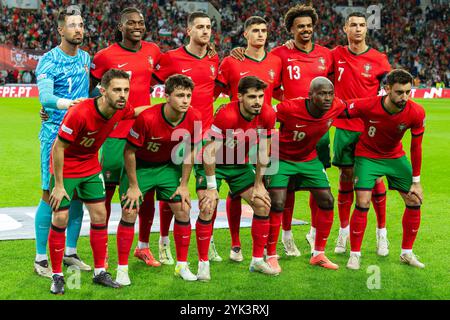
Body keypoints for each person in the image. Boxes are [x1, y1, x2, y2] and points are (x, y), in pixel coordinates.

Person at [48, 69, 150, 295]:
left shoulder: (119, 110)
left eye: (125, 90)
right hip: (66, 167)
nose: (123, 95)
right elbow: (58, 147)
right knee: (61, 217)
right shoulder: (80, 113)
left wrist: (164, 108)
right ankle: (57, 275)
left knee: (100, 215)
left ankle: (99, 272)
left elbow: (137, 112)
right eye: (117, 90)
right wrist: (58, 185)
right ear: (103, 91)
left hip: (91, 166)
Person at [90, 7, 162, 268]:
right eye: (131, 22)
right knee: (105, 195)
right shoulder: (105, 56)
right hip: (114, 135)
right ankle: (105, 249)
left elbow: (171, 72)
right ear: (121, 27)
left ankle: (143, 247)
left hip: (143, 134)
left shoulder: (153, 51)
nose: (137, 26)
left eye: (140, 22)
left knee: (144, 194)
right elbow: (90, 92)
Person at [116, 74, 204, 283]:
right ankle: (122, 270)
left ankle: (182, 266)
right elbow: (129, 152)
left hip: (167, 167)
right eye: (180, 95)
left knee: (183, 208)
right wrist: (134, 186)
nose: (185, 100)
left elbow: (191, 151)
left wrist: (184, 185)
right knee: (129, 211)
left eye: (188, 95)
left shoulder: (195, 117)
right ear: (166, 96)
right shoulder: (147, 118)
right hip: (141, 167)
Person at [151, 11, 220, 265]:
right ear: (188, 30)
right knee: (173, 193)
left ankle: (208, 239)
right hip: (176, 137)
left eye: (209, 27)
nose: (205, 31)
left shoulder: (215, 58)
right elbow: (147, 81)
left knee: (208, 192)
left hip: (205, 138)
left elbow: (217, 88)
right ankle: (163, 240)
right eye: (200, 27)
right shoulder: (171, 58)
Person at [341, 69, 426, 270]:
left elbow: (416, 147)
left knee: (414, 199)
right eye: (399, 92)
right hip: (367, 155)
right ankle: (355, 254)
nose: (404, 97)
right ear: (387, 89)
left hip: (395, 156)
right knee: (362, 201)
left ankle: (406, 253)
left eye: (408, 92)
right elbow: (341, 109)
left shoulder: (416, 111)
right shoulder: (369, 104)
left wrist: (416, 181)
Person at [269, 4, 334, 256]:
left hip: (318, 130)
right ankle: (286, 236)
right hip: (291, 129)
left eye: (308, 25)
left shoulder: (326, 55)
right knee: (288, 187)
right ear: (291, 29)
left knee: (317, 182)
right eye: (300, 26)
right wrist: (286, 104)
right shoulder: (280, 54)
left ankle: (315, 232)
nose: (305, 30)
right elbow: (271, 85)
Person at [215, 16, 282, 262]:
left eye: (264, 30)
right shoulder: (232, 61)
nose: (260, 35)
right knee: (235, 190)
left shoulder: (277, 60)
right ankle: (235, 244)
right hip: (236, 134)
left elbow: (285, 91)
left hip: (265, 131)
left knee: (269, 188)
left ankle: (270, 245)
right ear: (245, 34)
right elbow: (213, 91)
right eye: (255, 30)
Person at [197, 76, 278, 275]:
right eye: (252, 97)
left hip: (239, 164)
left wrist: (258, 184)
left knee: (262, 203)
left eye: (260, 96)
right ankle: (203, 264)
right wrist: (212, 187)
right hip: (212, 162)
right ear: (240, 96)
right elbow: (209, 151)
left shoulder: (267, 114)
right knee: (207, 206)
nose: (257, 101)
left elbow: (263, 151)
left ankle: (257, 261)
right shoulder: (227, 114)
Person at [266, 77, 345, 272]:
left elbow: (358, 108)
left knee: (327, 200)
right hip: (281, 158)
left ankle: (318, 254)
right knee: (277, 202)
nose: (327, 98)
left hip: (309, 159)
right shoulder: (289, 108)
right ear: (310, 96)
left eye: (330, 93)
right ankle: (270, 255)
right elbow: (265, 115)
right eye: (322, 93)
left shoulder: (337, 106)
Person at [34, 5, 90, 278]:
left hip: (81, 138)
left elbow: (92, 89)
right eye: (72, 25)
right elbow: (45, 98)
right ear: (60, 30)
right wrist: (71, 104)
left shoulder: (86, 58)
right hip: (54, 135)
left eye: (81, 24)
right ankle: (41, 258)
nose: (78, 28)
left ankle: (70, 252)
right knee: (50, 195)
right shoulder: (48, 60)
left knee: (77, 195)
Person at [331, 12, 391, 255]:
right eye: (353, 25)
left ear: (367, 29)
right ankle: (343, 233)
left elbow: (390, 90)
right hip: (344, 127)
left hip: (369, 128)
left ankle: (382, 234)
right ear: (345, 28)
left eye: (362, 25)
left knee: (374, 179)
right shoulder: (334, 55)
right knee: (346, 178)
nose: (357, 29)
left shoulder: (379, 59)